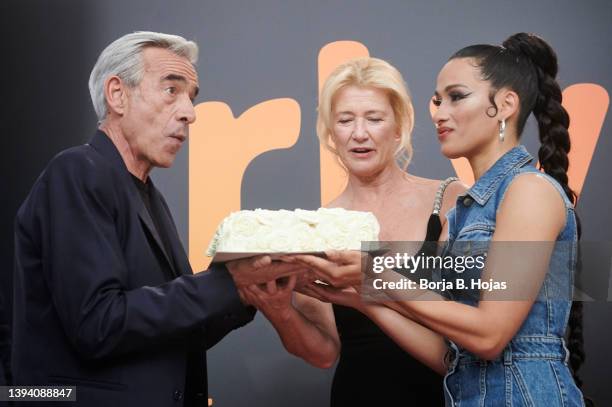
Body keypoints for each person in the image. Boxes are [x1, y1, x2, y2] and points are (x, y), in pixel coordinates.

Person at [293, 33, 586, 406]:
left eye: (456, 96)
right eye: (437, 99)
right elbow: (453, 359)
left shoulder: (528, 190)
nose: (439, 112)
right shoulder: (466, 210)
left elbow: (490, 336)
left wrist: (372, 273)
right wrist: (363, 300)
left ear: (506, 105)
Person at [12, 31, 298, 407]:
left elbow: (174, 327)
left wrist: (246, 291)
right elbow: (99, 325)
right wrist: (231, 283)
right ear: (117, 95)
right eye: (171, 90)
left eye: (191, 97)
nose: (190, 112)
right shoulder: (78, 171)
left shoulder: (149, 196)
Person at [237, 57, 465, 406]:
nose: (359, 133)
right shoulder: (318, 227)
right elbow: (324, 353)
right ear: (331, 132)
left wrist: (369, 287)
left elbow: (477, 333)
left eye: (374, 118)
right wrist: (279, 310)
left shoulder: (451, 200)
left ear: (399, 126)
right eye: (345, 120)